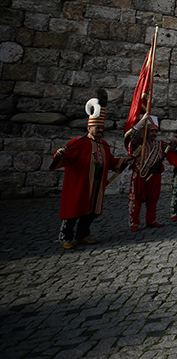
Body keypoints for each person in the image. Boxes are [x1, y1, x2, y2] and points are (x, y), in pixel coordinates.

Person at [50, 95, 130, 249]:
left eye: (101, 128)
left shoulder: (104, 145)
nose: (100, 130)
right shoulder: (78, 143)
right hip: (79, 185)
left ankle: (82, 236)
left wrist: (124, 161)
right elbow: (64, 157)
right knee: (73, 212)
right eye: (97, 128)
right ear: (89, 128)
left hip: (96, 184)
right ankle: (65, 237)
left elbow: (110, 161)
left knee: (90, 212)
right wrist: (59, 154)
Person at [126, 114, 173, 231]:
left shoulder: (160, 144)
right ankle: (134, 222)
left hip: (154, 176)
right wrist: (143, 120)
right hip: (140, 175)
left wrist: (176, 139)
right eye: (151, 131)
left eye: (156, 131)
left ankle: (151, 220)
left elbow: (174, 145)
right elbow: (133, 133)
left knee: (153, 199)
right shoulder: (139, 142)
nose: (154, 134)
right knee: (136, 199)